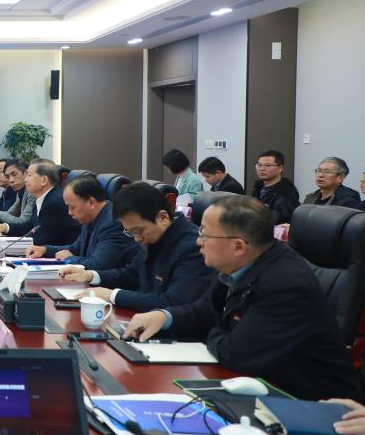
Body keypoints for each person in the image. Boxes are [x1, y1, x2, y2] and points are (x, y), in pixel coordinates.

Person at [124, 196, 362, 401]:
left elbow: (236, 354)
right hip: (259, 384)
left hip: (314, 404)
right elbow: (203, 311)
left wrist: (213, 331)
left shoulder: (285, 284)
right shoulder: (239, 265)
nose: (198, 241)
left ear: (238, 246)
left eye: (205, 234)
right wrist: (164, 316)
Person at [60, 182, 215, 311]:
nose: (137, 239)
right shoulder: (153, 237)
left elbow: (173, 302)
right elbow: (133, 274)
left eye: (138, 231)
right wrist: (91, 275)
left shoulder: (192, 248)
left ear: (162, 217)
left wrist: (112, 295)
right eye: (131, 232)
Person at [26, 176, 139, 271]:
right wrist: (45, 250)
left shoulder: (113, 223)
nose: (69, 213)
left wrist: (69, 258)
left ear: (91, 202)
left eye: (72, 207)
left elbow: (98, 265)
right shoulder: (91, 217)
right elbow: (75, 248)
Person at [0, 159, 79, 246]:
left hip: (61, 253)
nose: (26, 180)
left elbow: (42, 237)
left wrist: (7, 243)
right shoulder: (40, 198)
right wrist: (5, 227)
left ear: (44, 180)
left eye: (29, 175)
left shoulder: (54, 202)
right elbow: (29, 227)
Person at [250, 149, 299, 225]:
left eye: (268, 165)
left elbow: (275, 221)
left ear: (280, 168)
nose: (262, 169)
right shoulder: (258, 186)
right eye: (259, 165)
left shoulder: (286, 192)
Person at [0, 159, 35, 232]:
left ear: (26, 173)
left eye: (14, 174)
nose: (11, 180)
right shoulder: (20, 192)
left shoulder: (32, 192)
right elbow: (10, 213)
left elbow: (24, 221)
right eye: (7, 177)